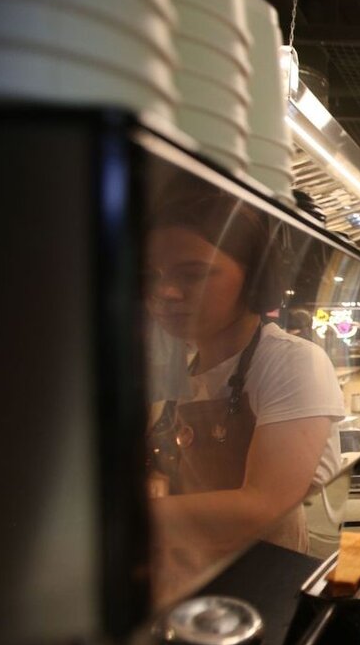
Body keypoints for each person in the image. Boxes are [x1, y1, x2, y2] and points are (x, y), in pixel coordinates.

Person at [145, 197, 345, 604]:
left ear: (254, 280)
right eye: (151, 276)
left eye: (193, 274)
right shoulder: (181, 367)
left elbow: (261, 507)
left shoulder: (290, 360)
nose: (166, 292)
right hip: (191, 583)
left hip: (263, 587)